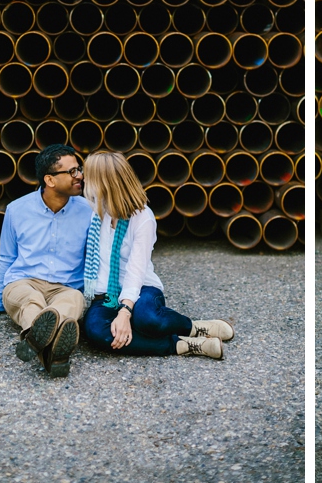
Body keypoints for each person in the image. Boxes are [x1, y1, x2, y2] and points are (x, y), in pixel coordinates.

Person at [79, 151, 233, 360]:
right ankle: (182, 344)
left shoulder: (142, 218)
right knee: (96, 332)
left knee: (148, 320)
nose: (82, 178)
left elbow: (136, 268)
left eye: (87, 174)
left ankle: (194, 327)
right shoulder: (96, 211)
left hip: (142, 288)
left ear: (104, 182)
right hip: (107, 294)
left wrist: (125, 312)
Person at [0, 144, 94, 378]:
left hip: (66, 288)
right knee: (31, 299)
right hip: (23, 283)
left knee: (74, 299)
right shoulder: (17, 210)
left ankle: (42, 345)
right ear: (50, 180)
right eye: (73, 171)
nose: (80, 176)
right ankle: (55, 347)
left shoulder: (89, 211)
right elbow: (7, 258)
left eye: (79, 169)